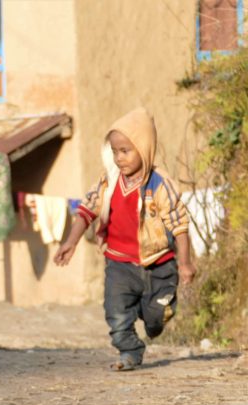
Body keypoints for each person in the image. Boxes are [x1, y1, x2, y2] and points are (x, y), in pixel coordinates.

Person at [53, 107, 195, 371]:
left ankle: (152, 313)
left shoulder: (161, 185)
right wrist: (70, 242)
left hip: (159, 264)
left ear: (144, 148)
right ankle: (129, 351)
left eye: (125, 151)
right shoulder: (109, 182)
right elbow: (86, 210)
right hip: (119, 264)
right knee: (116, 313)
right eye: (115, 151)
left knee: (154, 320)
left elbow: (179, 226)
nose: (119, 158)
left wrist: (185, 263)